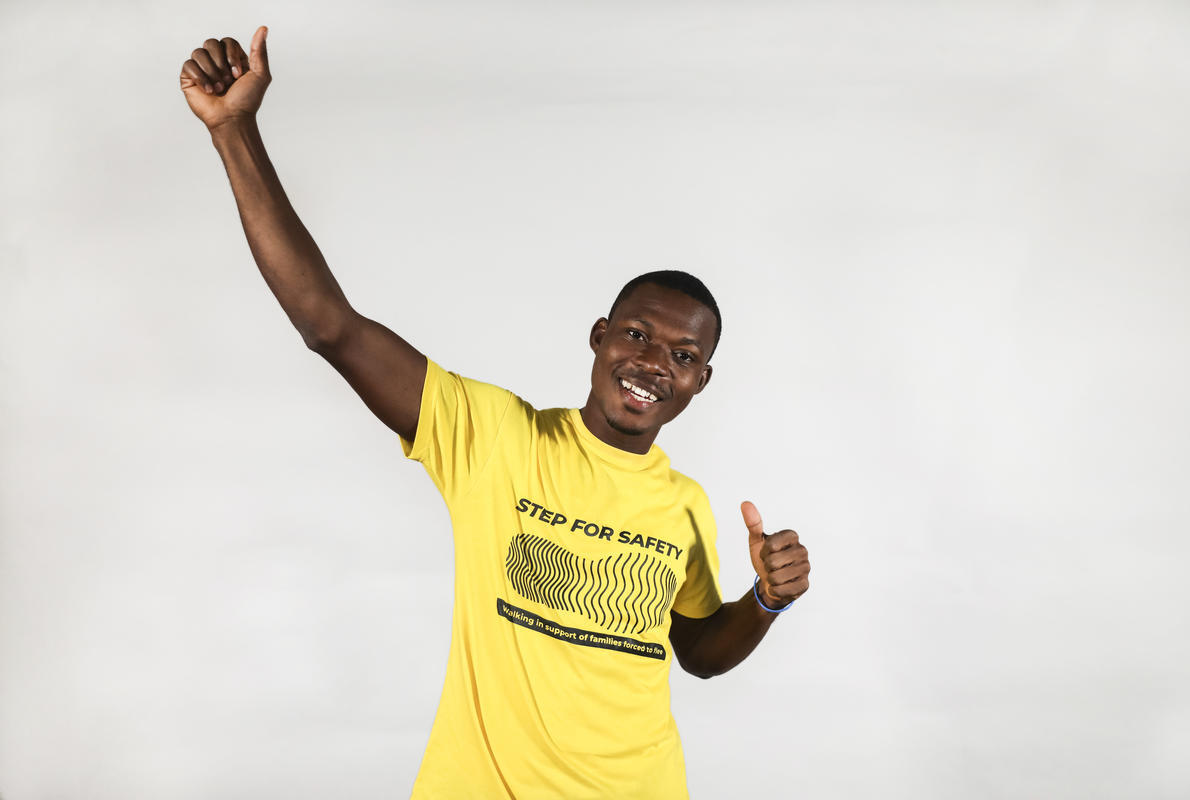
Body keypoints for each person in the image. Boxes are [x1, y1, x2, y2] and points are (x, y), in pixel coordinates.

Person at [180, 26, 811, 799]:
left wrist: (766, 600)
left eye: (682, 357)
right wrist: (234, 132)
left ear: (700, 383)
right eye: (639, 336)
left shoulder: (683, 507)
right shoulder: (493, 437)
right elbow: (329, 323)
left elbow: (700, 653)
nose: (654, 364)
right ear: (599, 338)